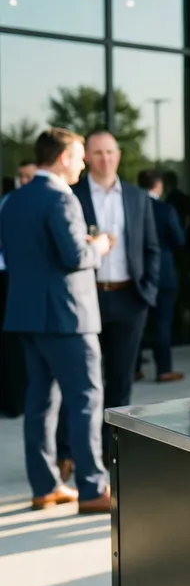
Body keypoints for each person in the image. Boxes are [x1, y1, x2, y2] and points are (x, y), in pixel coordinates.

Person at [0, 128, 113, 513]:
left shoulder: (14, 199)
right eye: (80, 156)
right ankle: (93, 488)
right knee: (85, 400)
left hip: (27, 316)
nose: (83, 163)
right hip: (67, 316)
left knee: (40, 404)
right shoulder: (62, 198)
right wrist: (99, 246)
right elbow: (74, 256)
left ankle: (45, 486)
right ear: (63, 157)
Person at [72, 130, 159, 457]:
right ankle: (78, 450)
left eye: (110, 152)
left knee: (121, 380)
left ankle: (112, 452)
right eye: (97, 152)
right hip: (85, 298)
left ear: (118, 155)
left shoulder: (137, 197)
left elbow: (152, 248)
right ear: (86, 157)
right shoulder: (73, 195)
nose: (105, 159)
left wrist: (147, 291)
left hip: (129, 299)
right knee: (83, 380)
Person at [138, 169, 187, 383]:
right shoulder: (165, 209)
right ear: (158, 185)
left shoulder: (132, 207)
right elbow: (179, 239)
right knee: (162, 323)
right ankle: (163, 369)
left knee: (137, 324)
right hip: (163, 272)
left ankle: (133, 368)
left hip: (137, 272)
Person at [0, 159, 38, 416]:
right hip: (8, 276)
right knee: (11, 341)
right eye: (20, 176)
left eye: (28, 176)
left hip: (30, 279)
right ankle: (13, 401)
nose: (23, 181)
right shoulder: (9, 202)